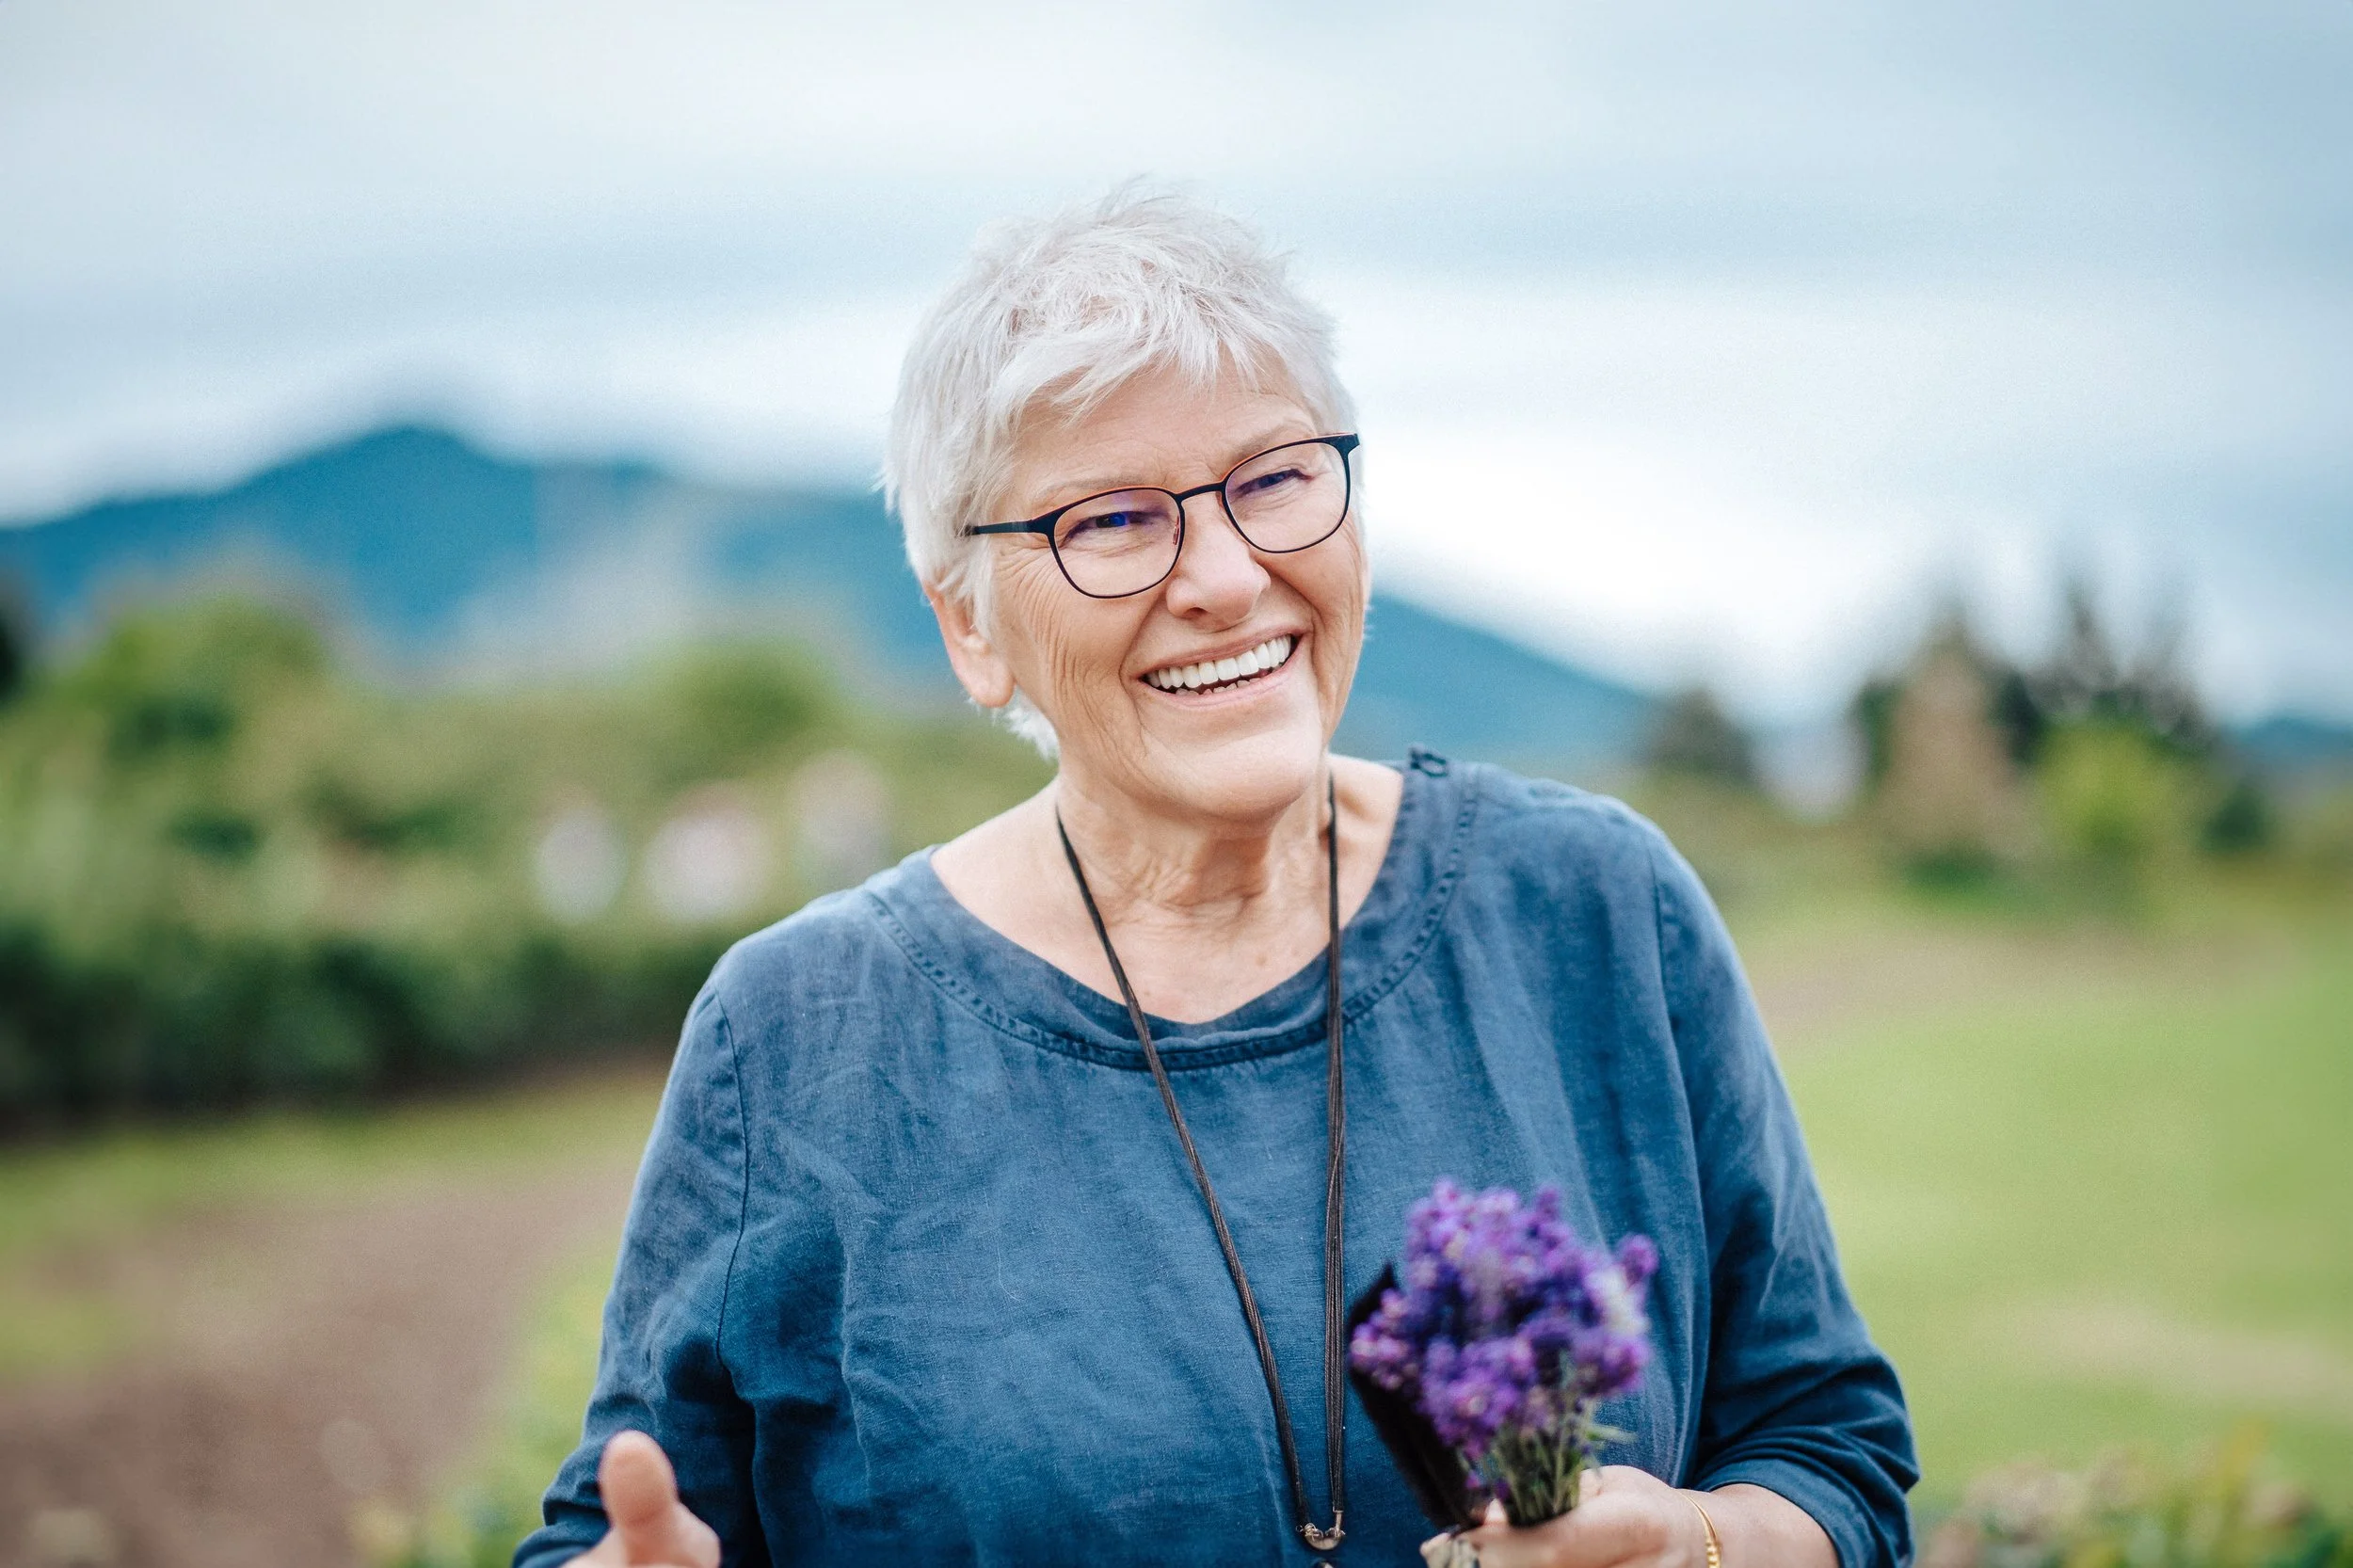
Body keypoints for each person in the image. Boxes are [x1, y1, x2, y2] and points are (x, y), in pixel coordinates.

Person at [516, 188, 1914, 1568]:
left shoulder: (1598, 909)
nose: (1229, 575)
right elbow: (619, 1540)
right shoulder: (798, 1037)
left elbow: (1828, 1449)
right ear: (970, 626)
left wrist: (1706, 1545)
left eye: (1276, 477)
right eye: (1114, 520)